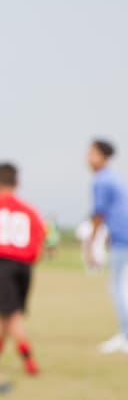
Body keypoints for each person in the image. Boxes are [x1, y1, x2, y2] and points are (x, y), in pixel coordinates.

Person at [0, 162, 46, 374]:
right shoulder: (30, 210)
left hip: (4, 264)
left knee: (11, 315)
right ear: (17, 182)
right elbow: (41, 238)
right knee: (5, 313)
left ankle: (28, 358)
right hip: (26, 266)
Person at [87, 139, 128, 353]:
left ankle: (125, 335)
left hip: (122, 239)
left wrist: (92, 243)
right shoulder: (114, 178)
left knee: (118, 287)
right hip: (120, 237)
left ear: (103, 156)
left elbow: (98, 215)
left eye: (92, 153)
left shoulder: (101, 180)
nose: (88, 158)